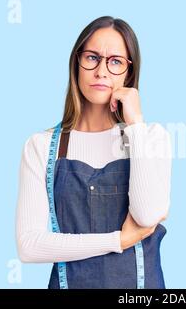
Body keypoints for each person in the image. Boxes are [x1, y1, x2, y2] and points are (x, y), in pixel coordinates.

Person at [15, 16, 172, 288]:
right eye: (92, 58)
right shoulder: (41, 146)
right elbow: (29, 245)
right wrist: (117, 241)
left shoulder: (151, 137)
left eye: (115, 61)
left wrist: (135, 123)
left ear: (128, 73)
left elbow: (146, 215)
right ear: (76, 62)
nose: (101, 71)